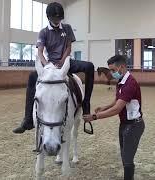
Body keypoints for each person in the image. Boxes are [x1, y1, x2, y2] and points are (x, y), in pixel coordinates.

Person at [13, 2, 94, 134]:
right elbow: (40, 52)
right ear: (48, 17)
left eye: (59, 19)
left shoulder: (67, 28)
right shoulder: (44, 32)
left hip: (66, 62)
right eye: (54, 19)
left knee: (89, 66)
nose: (57, 21)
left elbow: (68, 47)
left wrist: (63, 61)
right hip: (50, 64)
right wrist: (46, 65)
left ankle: (86, 105)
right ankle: (28, 119)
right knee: (32, 76)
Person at [83, 55, 145, 180]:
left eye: (113, 70)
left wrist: (95, 116)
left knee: (127, 159)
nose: (111, 73)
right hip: (125, 124)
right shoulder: (121, 82)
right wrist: (104, 107)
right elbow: (118, 100)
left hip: (133, 125)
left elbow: (117, 109)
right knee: (124, 155)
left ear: (121, 67)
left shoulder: (129, 84)